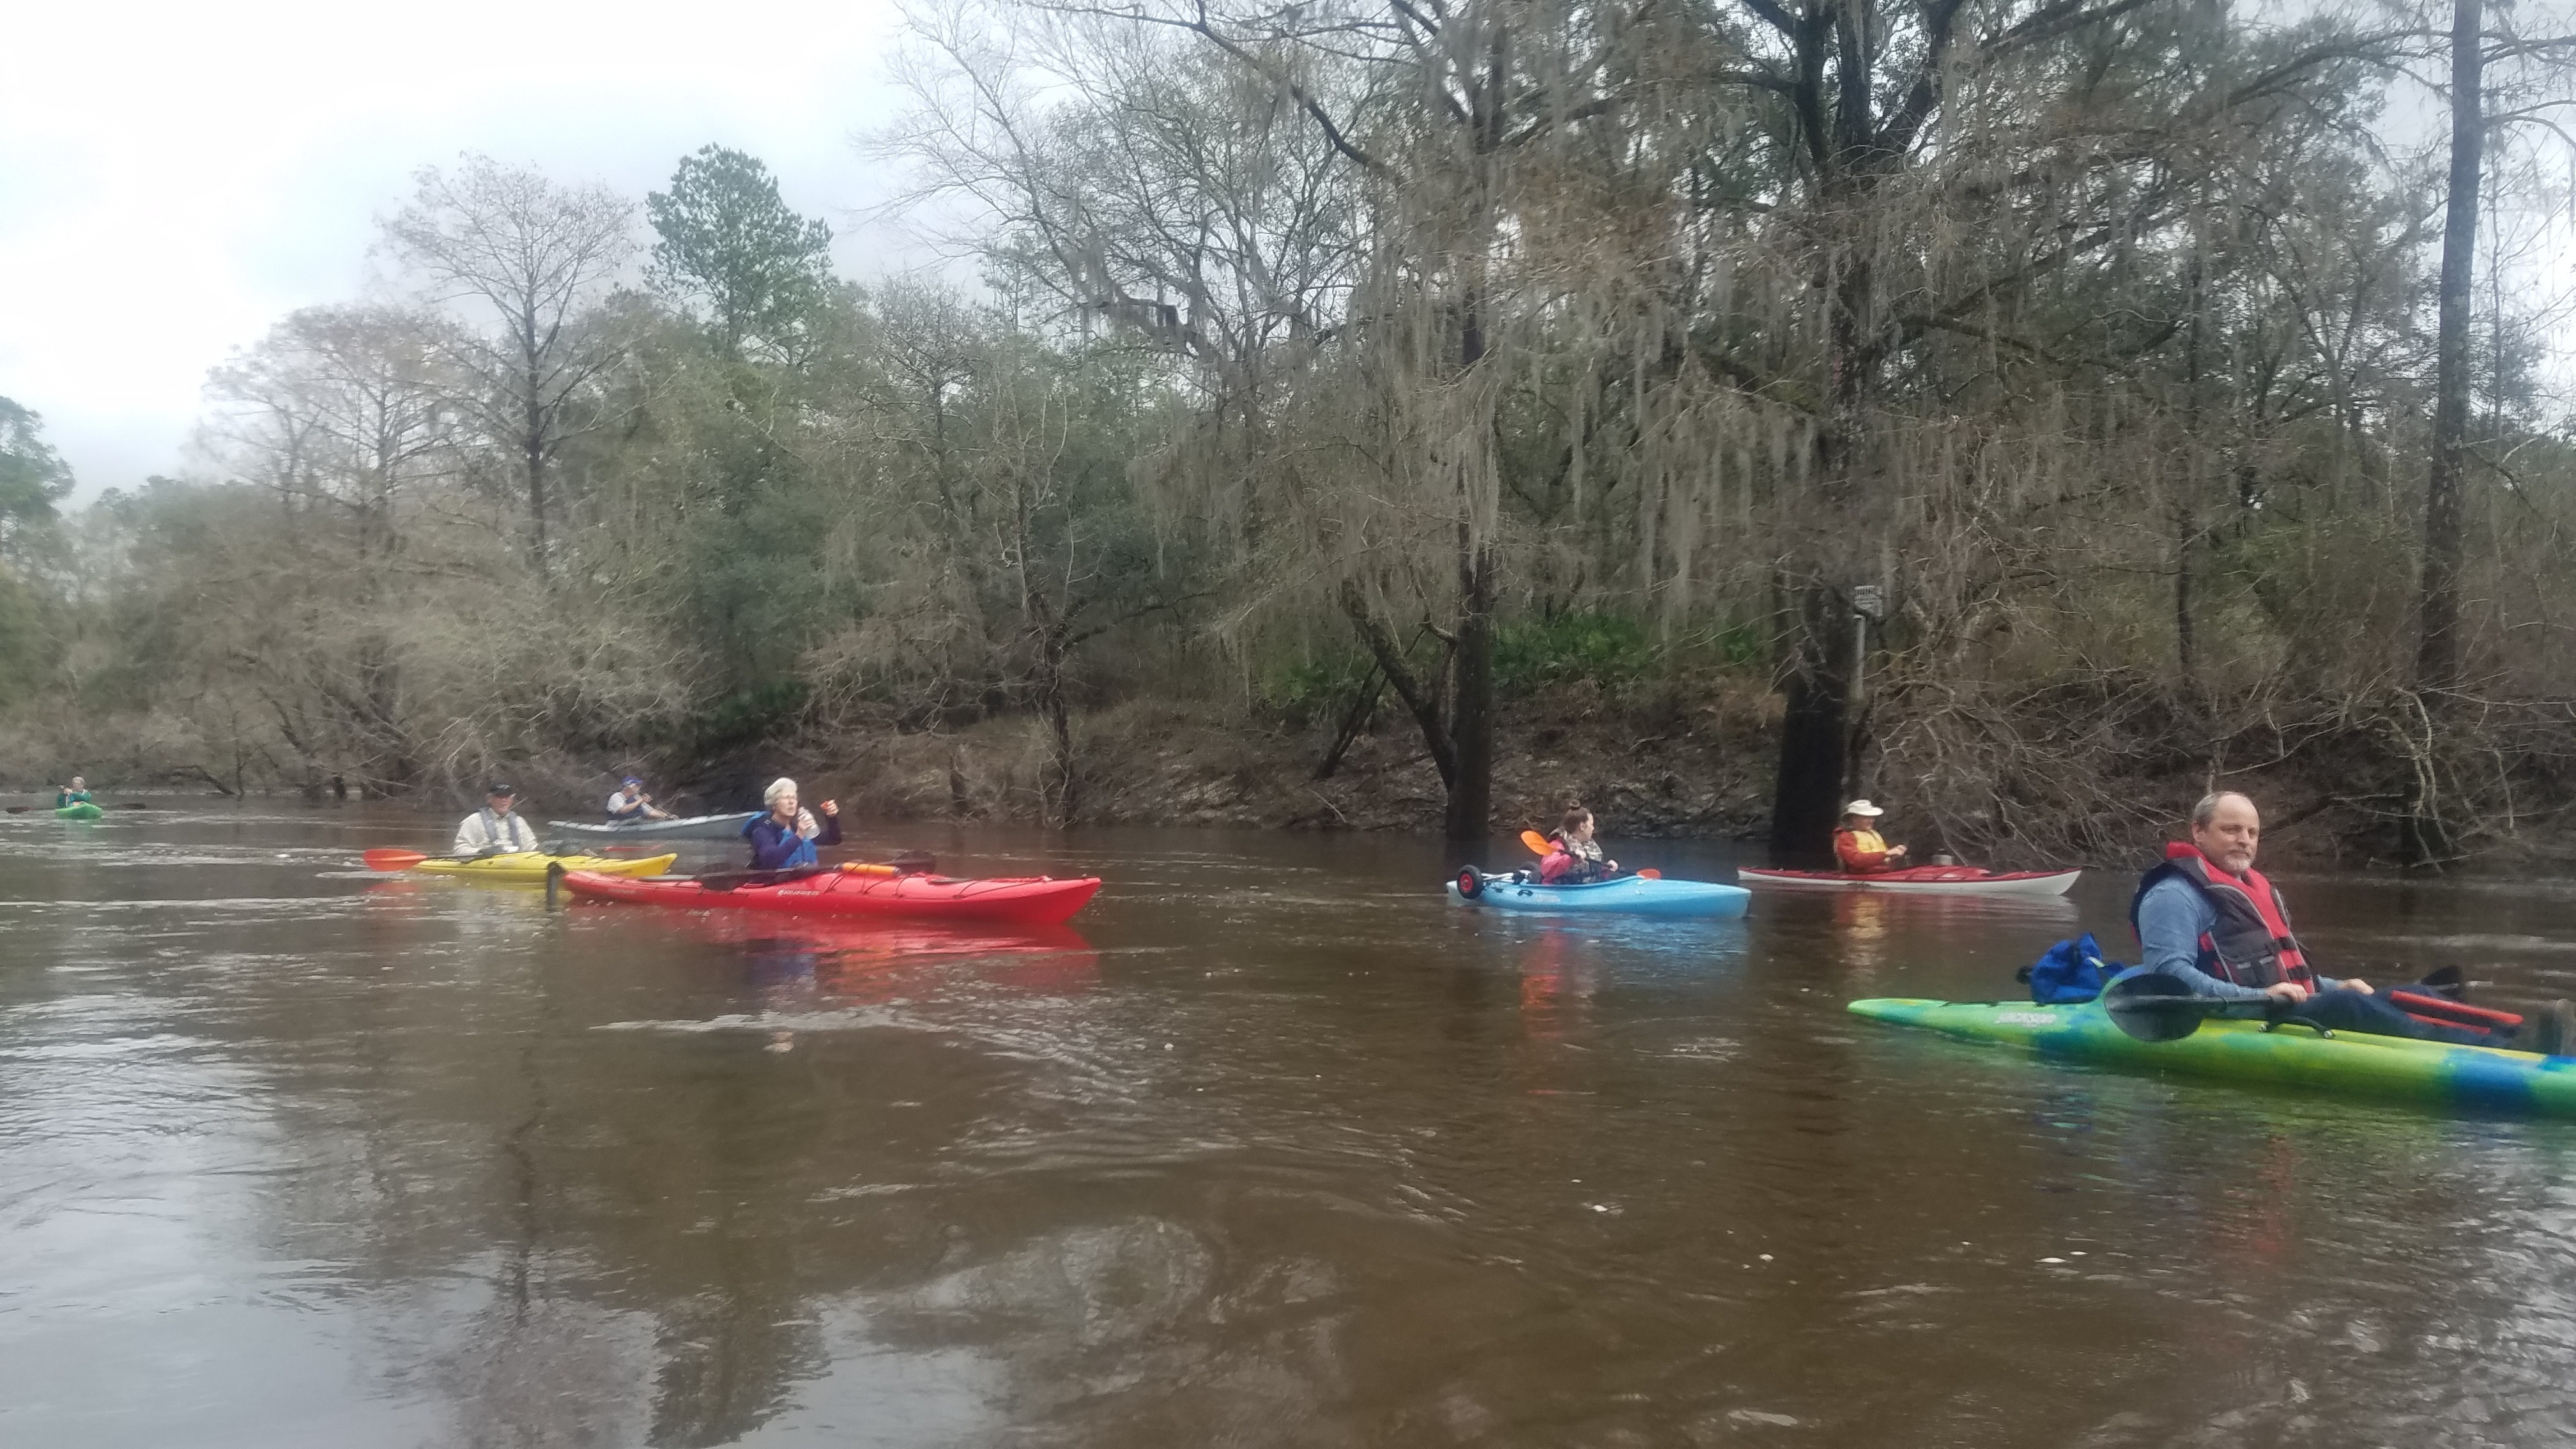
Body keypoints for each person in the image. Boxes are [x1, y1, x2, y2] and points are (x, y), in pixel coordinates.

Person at [2132, 790, 2572, 1052]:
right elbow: (2169, 978)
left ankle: (2515, 1034)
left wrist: (2331, 984)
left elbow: (2287, 969)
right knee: (2351, 1008)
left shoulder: (2255, 887)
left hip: (2280, 1003)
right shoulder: (2174, 894)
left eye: (2252, 833)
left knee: (2404, 993)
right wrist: (2259, 996)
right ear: (2198, 832)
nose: (2244, 841)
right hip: (2238, 1017)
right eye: (2231, 830)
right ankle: (2508, 1054)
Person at [740, 777, 841, 871]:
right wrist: (799, 836)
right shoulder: (762, 829)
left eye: (794, 798)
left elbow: (834, 839)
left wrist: (831, 818)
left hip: (802, 881)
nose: (791, 802)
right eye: (786, 798)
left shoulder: (795, 827)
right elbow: (770, 859)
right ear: (774, 804)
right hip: (772, 883)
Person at [454, 783, 540, 856]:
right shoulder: (473, 821)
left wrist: (544, 848)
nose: (504, 800)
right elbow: (459, 849)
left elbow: (531, 848)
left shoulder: (520, 821)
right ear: (489, 799)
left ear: (512, 800)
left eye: (507, 797)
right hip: (485, 862)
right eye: (499, 796)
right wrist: (480, 852)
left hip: (515, 861)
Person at [1539, 806, 1618, 884]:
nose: (1593, 828)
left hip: (1585, 890)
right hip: (1560, 891)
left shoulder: (1587, 844)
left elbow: (1593, 875)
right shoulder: (1558, 845)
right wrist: (1570, 859)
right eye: (1591, 824)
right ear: (1582, 826)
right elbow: (1547, 871)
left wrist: (1606, 869)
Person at [1833, 800, 1907, 873]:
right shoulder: (1846, 837)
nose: (1872, 821)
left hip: (1882, 873)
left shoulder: (1872, 833)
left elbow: (1883, 857)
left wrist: (1894, 855)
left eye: (1872, 818)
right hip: (1861, 877)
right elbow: (1856, 861)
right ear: (1854, 819)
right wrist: (1886, 854)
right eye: (1867, 818)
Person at [605, 777, 673, 824]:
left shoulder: (636, 798)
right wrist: (641, 801)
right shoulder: (617, 797)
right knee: (637, 821)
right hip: (617, 824)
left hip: (633, 824)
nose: (639, 788)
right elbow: (622, 810)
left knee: (641, 821)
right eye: (637, 785)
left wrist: (666, 817)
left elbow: (650, 812)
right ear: (630, 787)